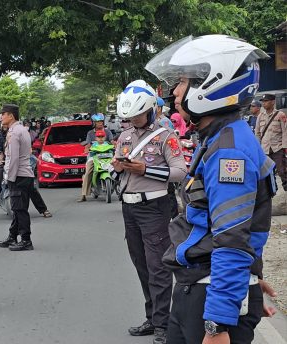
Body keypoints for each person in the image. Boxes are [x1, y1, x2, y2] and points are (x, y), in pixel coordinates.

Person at [146, 34, 277, 343]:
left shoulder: (228, 151)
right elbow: (240, 223)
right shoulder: (220, 138)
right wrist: (250, 276)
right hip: (200, 286)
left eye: (182, 82)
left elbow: (231, 239)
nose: (175, 92)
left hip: (208, 296)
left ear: (213, 85)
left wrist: (217, 323)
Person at [112, 80, 187, 344]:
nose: (133, 120)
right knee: (141, 264)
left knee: (158, 267)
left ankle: (164, 325)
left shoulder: (166, 136)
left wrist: (145, 169)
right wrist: (118, 168)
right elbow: (115, 172)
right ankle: (152, 317)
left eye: (137, 115)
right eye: (129, 117)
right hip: (129, 207)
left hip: (155, 207)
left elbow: (180, 171)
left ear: (151, 111)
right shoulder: (125, 136)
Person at [0, 123, 52, 221]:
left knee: (31, 187)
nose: (5, 126)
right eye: (3, 125)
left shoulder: (19, 132)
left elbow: (27, 149)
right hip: (6, 165)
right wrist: (1, 159)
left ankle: (43, 209)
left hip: (21, 165)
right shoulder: (1, 135)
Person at [0, 104, 35, 251]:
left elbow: (13, 159)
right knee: (18, 208)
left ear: (11, 116)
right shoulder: (21, 129)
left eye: (3, 114)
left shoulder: (14, 133)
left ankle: (26, 240)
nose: (1, 117)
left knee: (19, 209)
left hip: (18, 175)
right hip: (24, 174)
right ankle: (13, 235)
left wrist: (9, 178)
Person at [77, 113, 114, 202]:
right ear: (94, 123)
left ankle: (121, 188)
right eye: (98, 122)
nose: (100, 123)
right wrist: (87, 149)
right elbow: (88, 144)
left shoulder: (107, 132)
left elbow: (112, 141)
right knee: (88, 171)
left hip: (107, 155)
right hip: (94, 156)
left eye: (101, 121)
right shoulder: (90, 133)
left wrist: (116, 145)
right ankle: (83, 194)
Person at [255, 93, 287, 191]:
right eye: (263, 102)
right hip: (265, 150)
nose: (264, 104)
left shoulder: (280, 115)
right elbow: (257, 133)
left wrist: (284, 148)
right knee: (267, 173)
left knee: (282, 171)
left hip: (277, 148)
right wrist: (258, 148)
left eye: (266, 101)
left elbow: (285, 132)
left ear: (273, 102)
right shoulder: (260, 116)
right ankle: (272, 190)